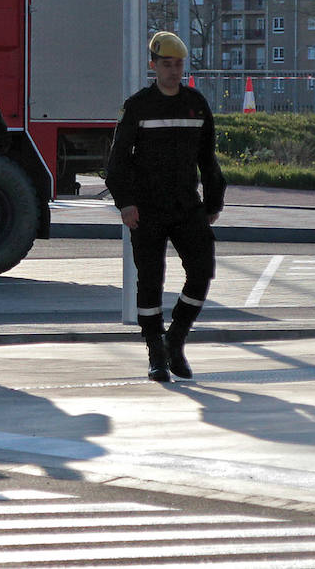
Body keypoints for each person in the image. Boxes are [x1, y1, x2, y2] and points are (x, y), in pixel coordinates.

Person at [105, 31, 225, 382]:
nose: (174, 71)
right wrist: (125, 203)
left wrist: (214, 200)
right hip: (147, 209)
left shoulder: (196, 104)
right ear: (153, 65)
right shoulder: (139, 106)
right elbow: (117, 162)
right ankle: (155, 350)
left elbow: (208, 158)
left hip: (187, 206)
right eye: (167, 65)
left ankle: (176, 339)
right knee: (150, 282)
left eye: (178, 65)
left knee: (202, 272)